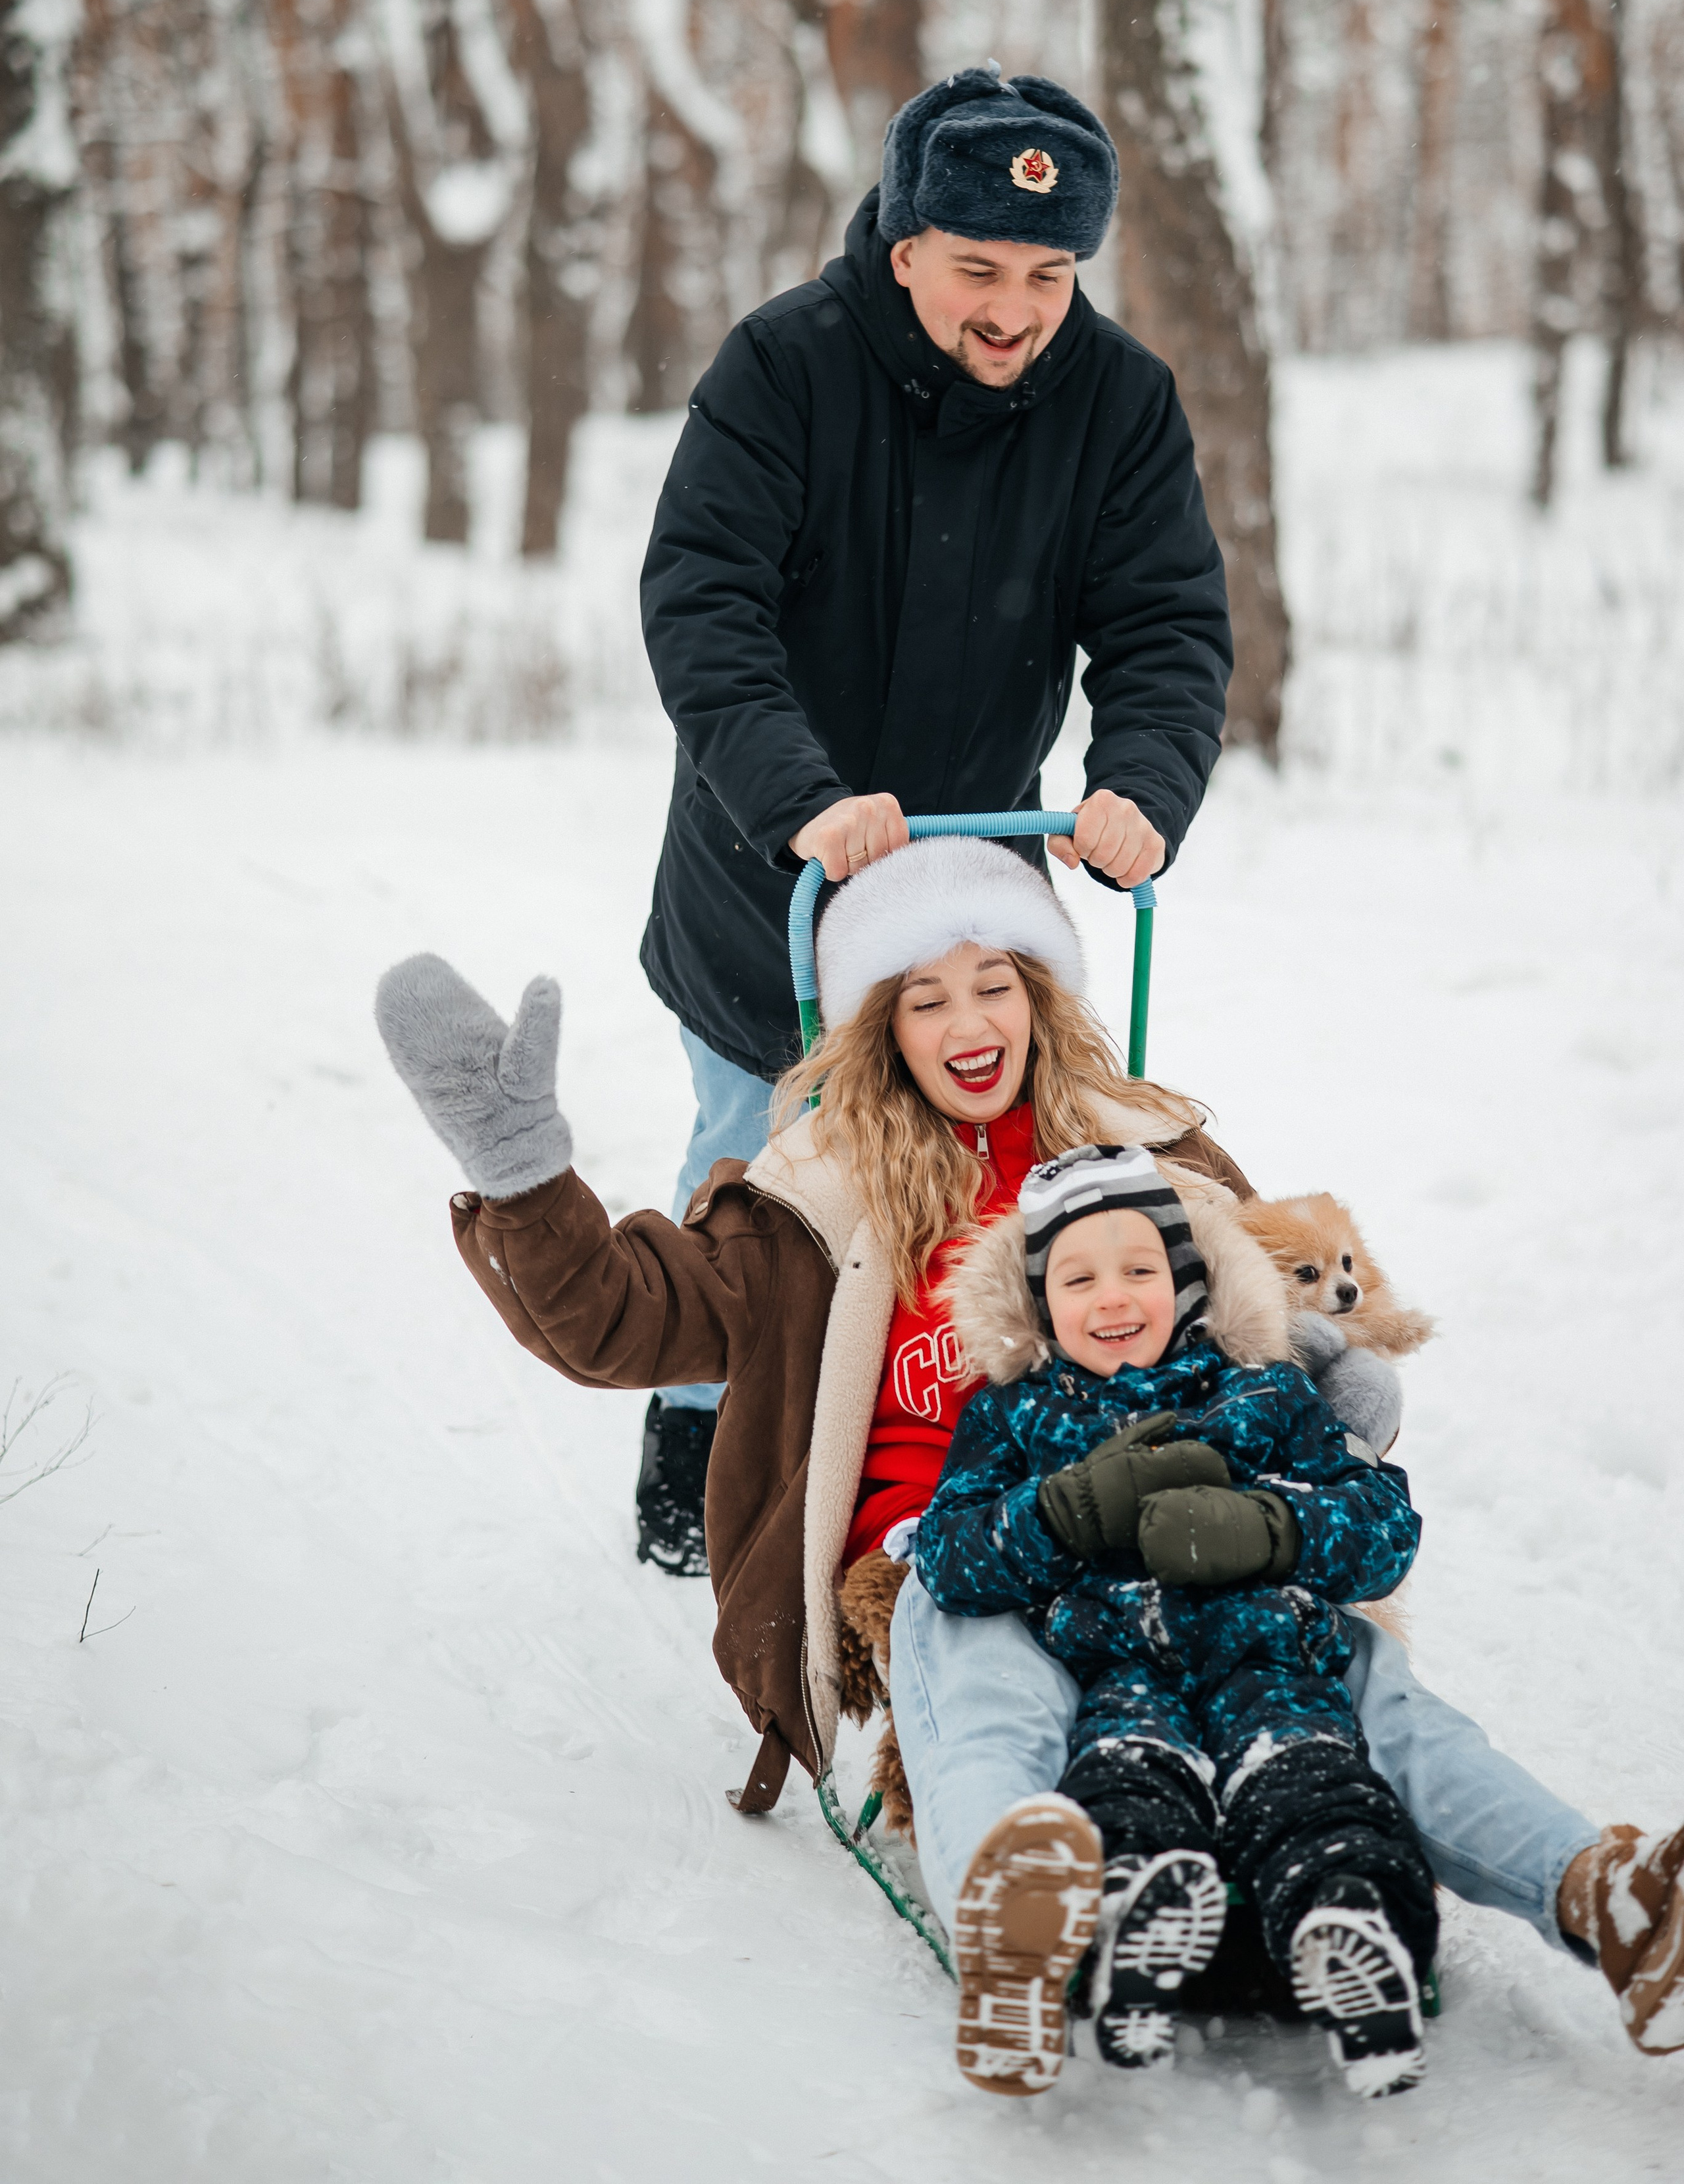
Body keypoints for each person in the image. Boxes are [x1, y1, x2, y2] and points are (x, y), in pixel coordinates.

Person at [372, 837, 1684, 2095]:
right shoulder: (809, 1195)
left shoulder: (1150, 1153)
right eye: (926, 996)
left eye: (994, 982)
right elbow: (626, 1319)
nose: (968, 1021)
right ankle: (1010, 1911)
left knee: (1363, 1690)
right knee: (987, 1683)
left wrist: (1325, 1378)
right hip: (949, 1552)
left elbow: (1266, 1291)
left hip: (1177, 1527)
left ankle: (1604, 1892)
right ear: (879, 1026)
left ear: (1040, 993)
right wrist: (524, 1178)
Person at [632, 62, 1233, 1572]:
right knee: (759, 1173)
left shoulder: (1116, 400)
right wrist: (801, 798)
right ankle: (701, 1436)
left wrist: (1140, 785)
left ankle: (933, 1442)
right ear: (902, 248)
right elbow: (703, 603)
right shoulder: (782, 368)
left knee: (966, 1177)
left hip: (966, 885)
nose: (1014, 308)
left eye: (1047, 274)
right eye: (978, 268)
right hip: (767, 875)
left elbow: (1164, 624)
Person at [917, 1143, 1436, 2097]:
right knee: (1125, 1779)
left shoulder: (1260, 1389)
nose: (1114, 1298)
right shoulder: (1019, 1413)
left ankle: (1354, 1924)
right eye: (1079, 1279)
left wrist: (1276, 1527)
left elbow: (1381, 1523)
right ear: (1040, 1304)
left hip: (1269, 1654)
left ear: (1188, 1281)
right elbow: (948, 1556)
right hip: (1122, 1667)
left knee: (1313, 1782)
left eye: (1140, 1271)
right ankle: (1134, 1926)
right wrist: (1059, 1515)